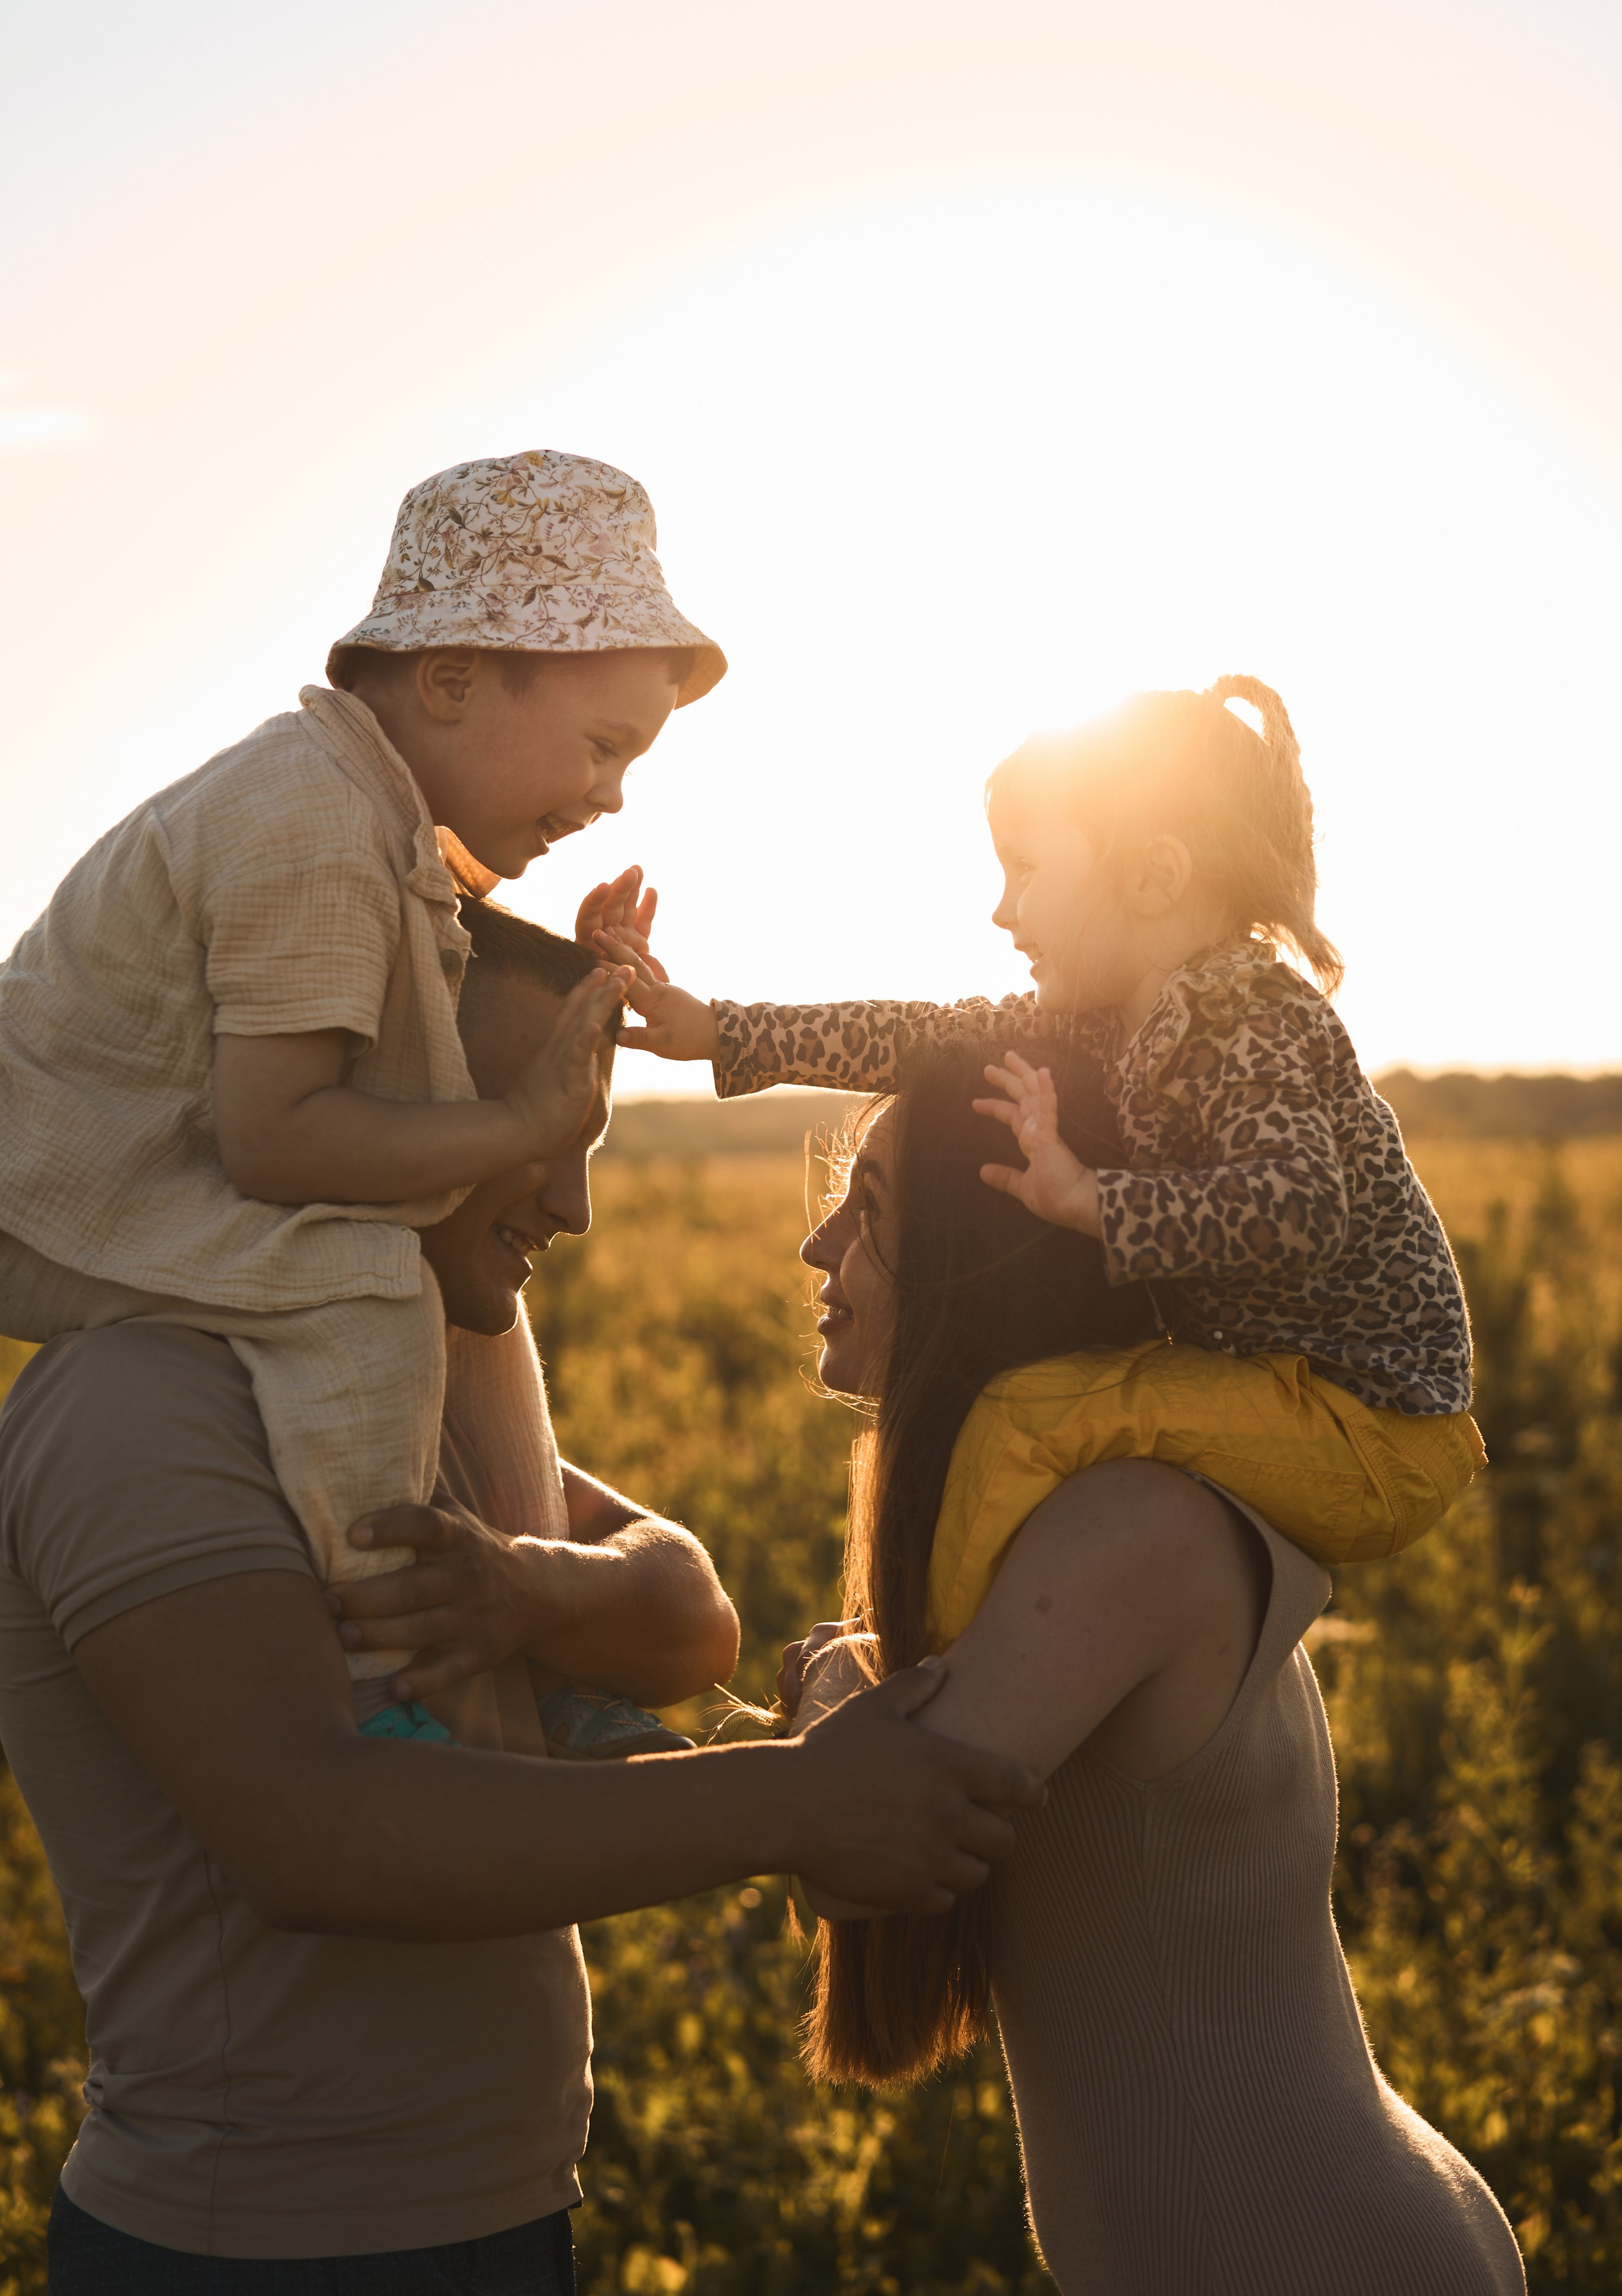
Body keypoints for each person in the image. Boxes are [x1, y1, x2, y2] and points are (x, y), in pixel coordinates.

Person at [0, 901, 1043, 2293]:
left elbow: (688, 1617)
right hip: (260, 2248)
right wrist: (795, 1802)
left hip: (488, 2219)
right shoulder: (145, 1399)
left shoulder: (376, 1381)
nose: (574, 1204)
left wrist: (530, 1589)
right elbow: (307, 1835)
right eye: (538, 1136)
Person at [781, 1042, 1525, 2295]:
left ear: (983, 1263)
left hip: (1326, 2260)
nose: (815, 1250)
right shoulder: (1057, 1533)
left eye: (867, 1213)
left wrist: (823, 1685)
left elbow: (856, 1840)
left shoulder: (1124, 1525)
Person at [0, 449, 705, 1733]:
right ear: (447, 682)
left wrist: (545, 938)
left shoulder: (341, 806)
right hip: (60, 1187)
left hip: (87, 1168)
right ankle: (396, 1662)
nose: (610, 796)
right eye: (603, 748)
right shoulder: (310, 824)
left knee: (402, 1291)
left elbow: (407, 949)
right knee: (370, 1288)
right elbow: (275, 1143)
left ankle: (516, 1666)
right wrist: (519, 1123)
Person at [592, 676, 1485, 1615]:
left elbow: (1300, 1209)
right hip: (1288, 1389)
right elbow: (928, 1035)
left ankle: (933, 1672)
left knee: (1025, 1417)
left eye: (1026, 870)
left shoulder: (1248, 1012)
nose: (1003, 910)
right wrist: (723, 1031)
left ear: (1153, 876)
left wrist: (1091, 1200)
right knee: (1049, 1396)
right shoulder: (1113, 1021)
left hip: (1376, 1425)